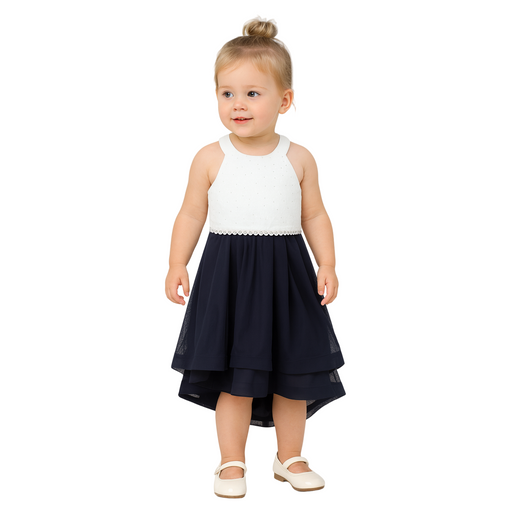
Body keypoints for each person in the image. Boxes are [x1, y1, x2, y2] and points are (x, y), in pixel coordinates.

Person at [165, 16, 346, 499]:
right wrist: (177, 263)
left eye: (252, 93)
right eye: (227, 93)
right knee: (234, 376)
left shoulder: (298, 157)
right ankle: (231, 461)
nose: (237, 104)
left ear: (284, 100)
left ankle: (290, 457)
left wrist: (327, 264)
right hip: (227, 279)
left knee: (292, 372)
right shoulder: (210, 157)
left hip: (287, 279)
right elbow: (190, 214)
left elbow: (314, 215)